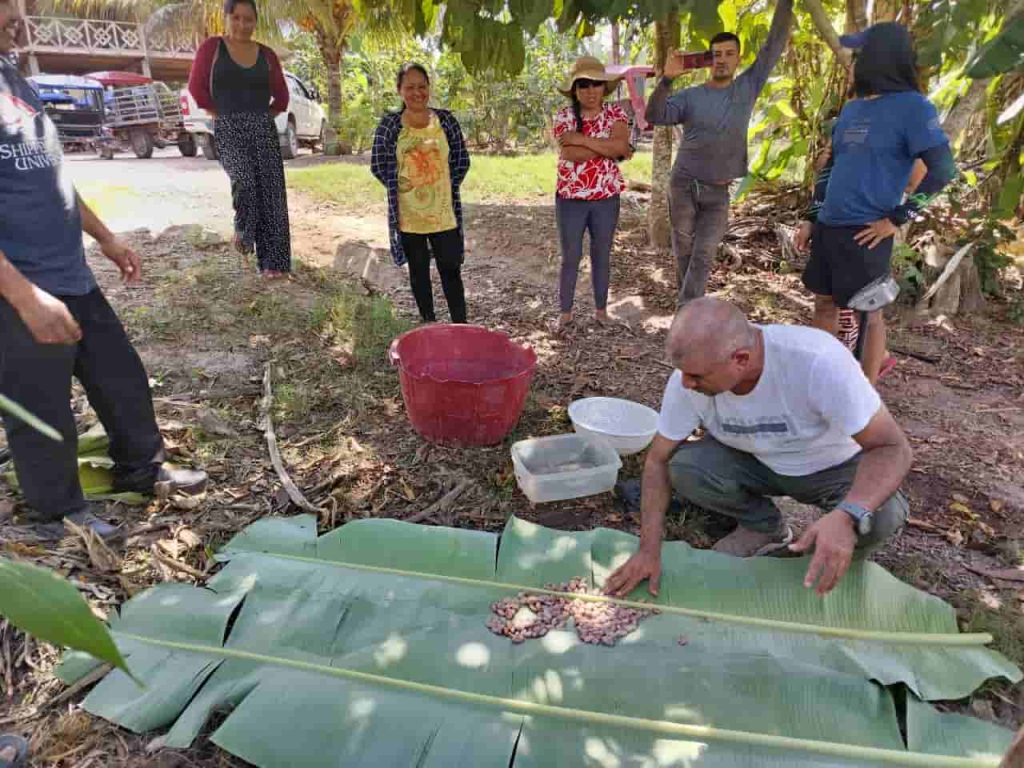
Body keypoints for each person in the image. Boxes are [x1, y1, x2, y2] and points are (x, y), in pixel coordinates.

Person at [0, 0, 207, 539]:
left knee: (119, 375)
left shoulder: (13, 79)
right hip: (17, 284)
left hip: (68, 270)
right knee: (41, 406)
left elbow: (50, 177)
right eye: (7, 7)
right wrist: (23, 296)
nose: (17, 15)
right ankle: (57, 515)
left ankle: (142, 469)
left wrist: (105, 236)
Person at [605, 298, 912, 599]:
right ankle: (764, 527)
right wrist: (648, 550)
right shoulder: (688, 378)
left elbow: (893, 448)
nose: (686, 384)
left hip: (831, 468)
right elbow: (657, 461)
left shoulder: (817, 361)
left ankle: (830, 550)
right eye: (683, 373)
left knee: (880, 515)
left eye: (696, 376)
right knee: (685, 468)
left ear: (741, 359)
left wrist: (848, 514)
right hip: (755, 461)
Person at [795, 23, 956, 385]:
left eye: (860, 55)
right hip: (829, 227)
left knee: (868, 315)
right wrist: (811, 218)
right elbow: (831, 167)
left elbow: (944, 170)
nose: (854, 63)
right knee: (824, 304)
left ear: (879, 57)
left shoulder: (914, 108)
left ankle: (866, 394)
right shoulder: (852, 110)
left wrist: (897, 219)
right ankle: (818, 383)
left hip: (866, 231)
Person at [646, 0, 794, 307]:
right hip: (684, 186)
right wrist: (667, 79)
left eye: (729, 54)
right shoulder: (691, 96)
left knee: (703, 254)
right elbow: (655, 115)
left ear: (739, 59)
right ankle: (691, 310)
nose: (722, 60)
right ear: (708, 60)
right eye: (716, 55)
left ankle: (687, 311)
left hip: (718, 192)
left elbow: (774, 43)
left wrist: (786, 3)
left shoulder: (747, 87)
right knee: (684, 252)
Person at [188, 0, 292, 280]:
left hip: (263, 129)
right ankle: (244, 234)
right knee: (244, 181)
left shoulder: (267, 54)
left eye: (248, 19)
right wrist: (220, 113)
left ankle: (274, 265)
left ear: (255, 21)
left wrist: (262, 118)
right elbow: (196, 88)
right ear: (226, 18)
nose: (242, 25)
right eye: (236, 18)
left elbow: (282, 97)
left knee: (271, 195)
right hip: (229, 128)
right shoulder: (212, 48)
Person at [371, 63, 470, 324]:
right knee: (419, 273)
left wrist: (441, 187)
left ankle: (460, 325)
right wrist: (405, 188)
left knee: (451, 271)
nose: (417, 92)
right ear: (400, 90)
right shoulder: (390, 125)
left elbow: (461, 161)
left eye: (422, 86)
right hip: (409, 216)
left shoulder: (445, 121)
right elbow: (378, 165)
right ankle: (429, 324)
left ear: (429, 88)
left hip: (444, 214)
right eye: (410, 87)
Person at [551, 56, 632, 330]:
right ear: (575, 90)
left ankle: (601, 311)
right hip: (570, 199)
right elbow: (571, 154)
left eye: (596, 83)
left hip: (606, 198)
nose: (590, 90)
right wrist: (607, 146)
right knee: (570, 257)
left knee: (602, 255)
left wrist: (581, 139)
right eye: (583, 84)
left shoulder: (616, 113)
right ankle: (565, 314)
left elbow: (621, 147)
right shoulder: (564, 116)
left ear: (604, 86)